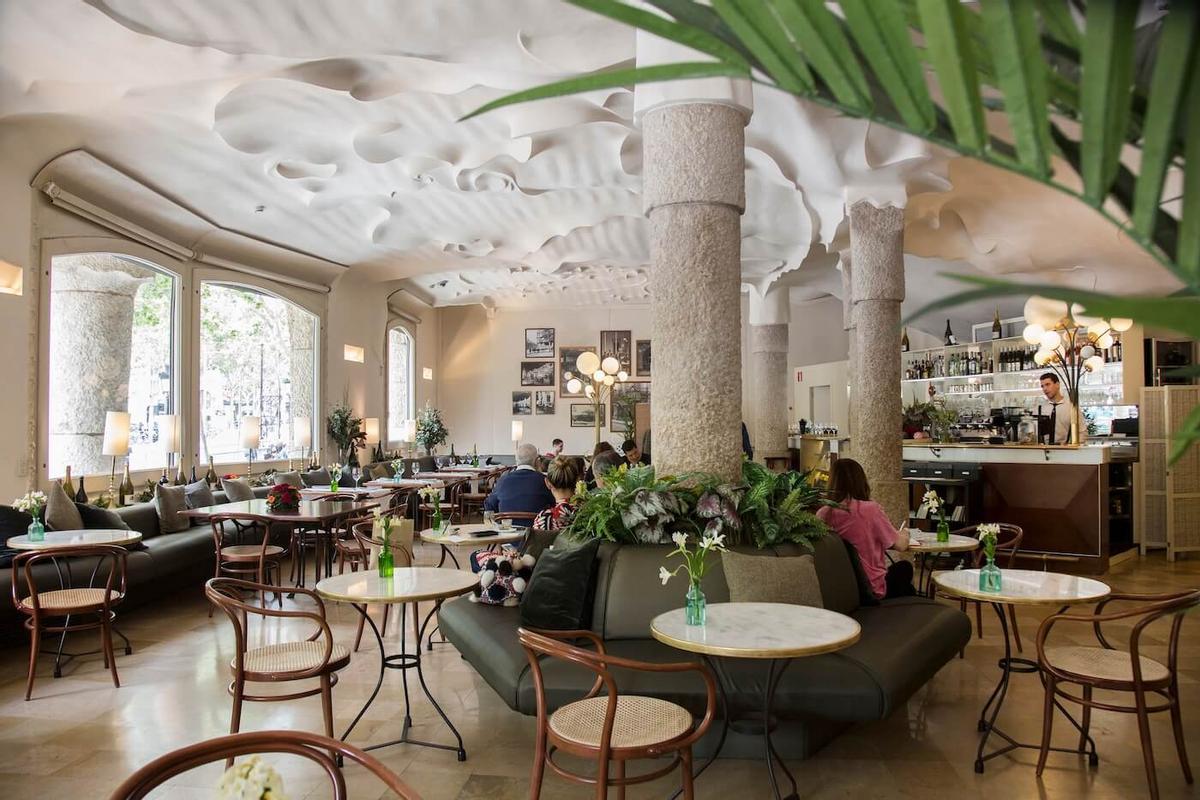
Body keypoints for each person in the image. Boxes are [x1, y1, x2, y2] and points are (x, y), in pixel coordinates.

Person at [815, 459, 914, 599]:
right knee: (905, 568)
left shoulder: (823, 513)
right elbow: (900, 545)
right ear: (860, 481)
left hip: (841, 588)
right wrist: (905, 533)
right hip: (871, 589)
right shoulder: (870, 510)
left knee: (907, 587)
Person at [483, 443, 555, 526]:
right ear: (537, 461)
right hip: (537, 534)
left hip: (508, 534)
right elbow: (554, 504)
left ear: (516, 461)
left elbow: (489, 505)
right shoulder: (544, 481)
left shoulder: (503, 480)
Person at [1036, 373, 1078, 445]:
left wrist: (1071, 448)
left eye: (1048, 384)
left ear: (1057, 384)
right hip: (1042, 452)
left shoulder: (1071, 408)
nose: (1044, 389)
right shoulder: (1039, 409)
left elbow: (1082, 433)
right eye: (1042, 386)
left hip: (1065, 452)